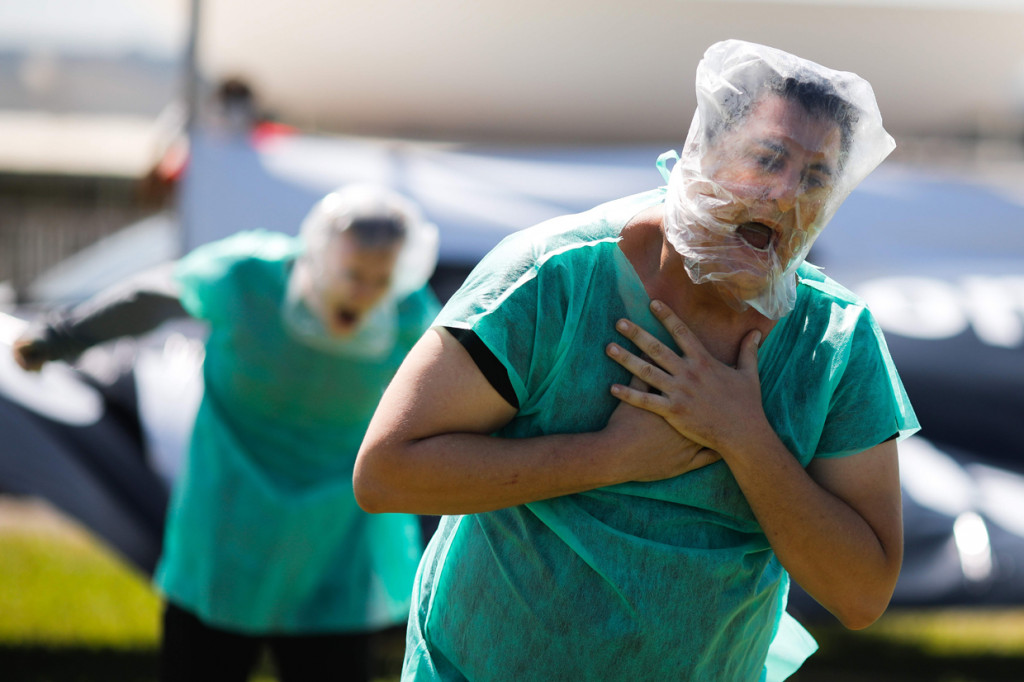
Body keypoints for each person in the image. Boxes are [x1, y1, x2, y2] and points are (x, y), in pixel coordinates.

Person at [353, 40, 918, 681]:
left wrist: (743, 436)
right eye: (769, 158)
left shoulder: (833, 340)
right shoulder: (555, 277)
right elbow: (386, 474)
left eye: (816, 178)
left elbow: (861, 594)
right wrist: (611, 458)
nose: (786, 194)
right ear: (705, 151)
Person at [13, 184, 441, 682]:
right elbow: (152, 299)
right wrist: (63, 337)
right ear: (320, 254)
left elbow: (445, 390)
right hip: (229, 529)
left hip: (331, 550)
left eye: (379, 279)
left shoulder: (409, 314)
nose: (364, 293)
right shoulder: (247, 278)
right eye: (351, 274)